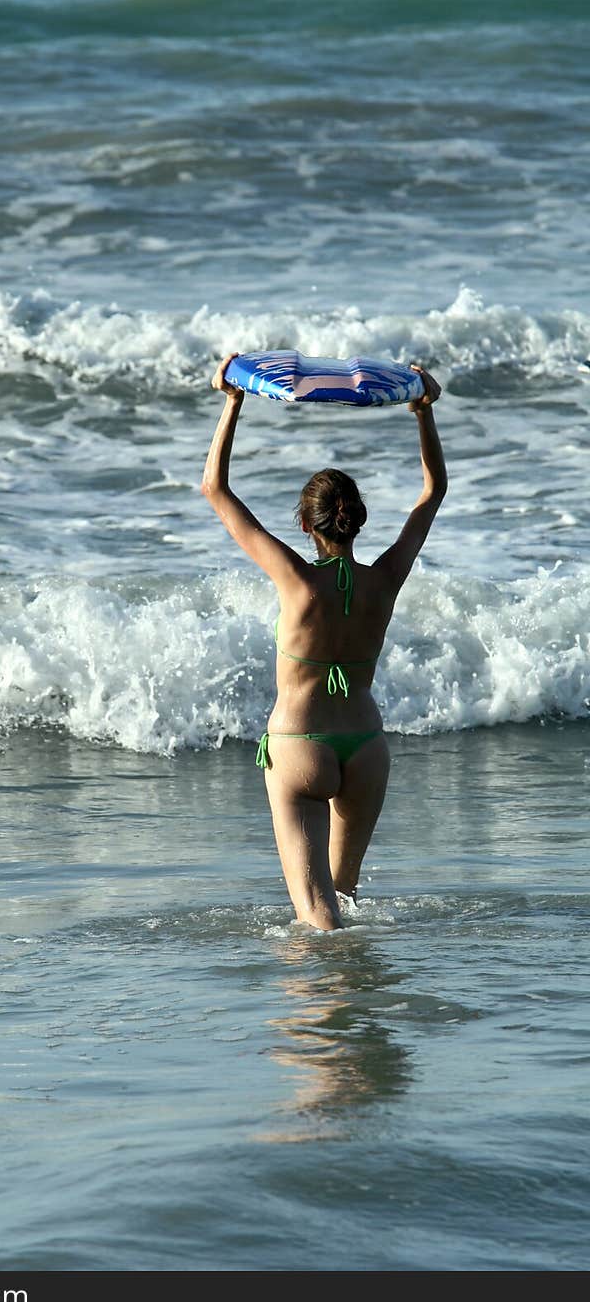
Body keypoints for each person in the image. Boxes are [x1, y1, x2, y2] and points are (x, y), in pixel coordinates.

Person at [202, 354, 446, 931]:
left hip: (299, 746)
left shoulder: (297, 579)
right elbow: (433, 491)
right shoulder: (385, 579)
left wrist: (231, 399)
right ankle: (357, 1008)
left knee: (316, 918)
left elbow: (215, 489)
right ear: (356, 521)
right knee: (343, 898)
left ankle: (324, 1016)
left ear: (306, 526)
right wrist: (422, 409)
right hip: (366, 747)